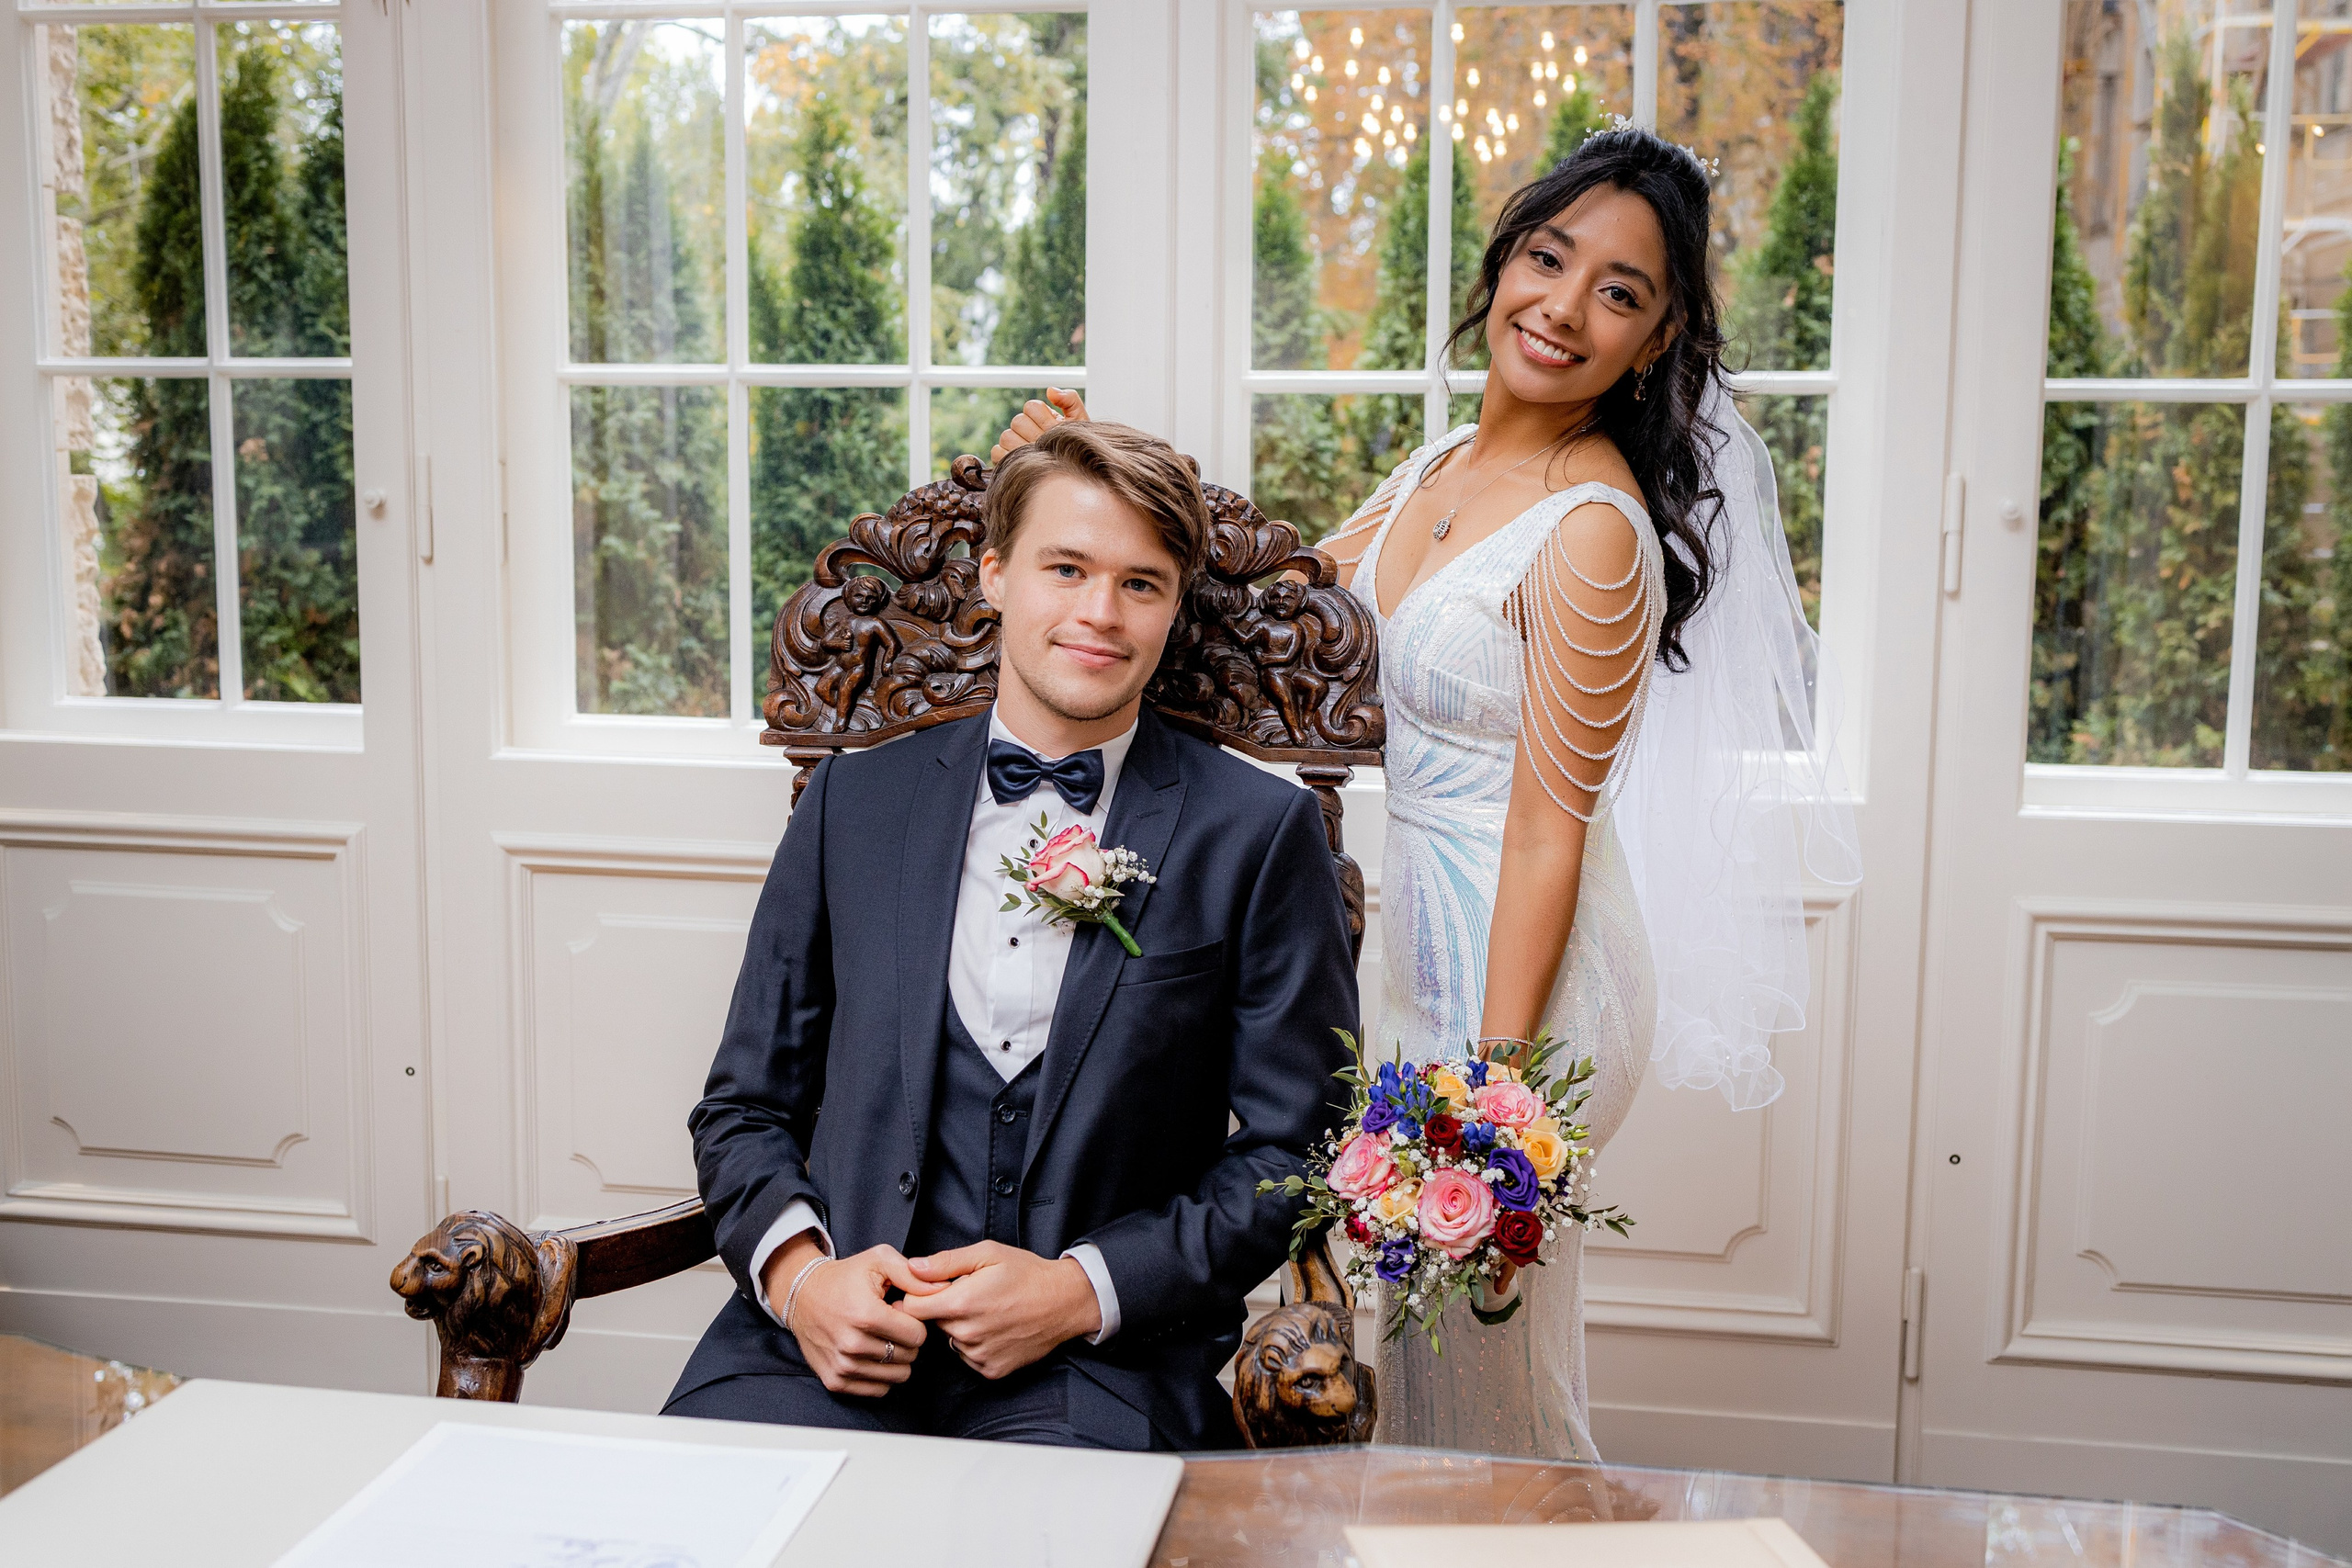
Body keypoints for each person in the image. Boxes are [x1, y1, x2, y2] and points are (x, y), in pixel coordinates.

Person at [988, 125, 1858, 1461]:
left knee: (1463, 1331)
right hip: (1420, 919)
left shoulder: (1591, 533)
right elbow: (1266, 608)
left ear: (1657, 336)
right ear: (1506, 259)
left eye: (1619, 292)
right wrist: (1085, 458)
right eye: (1549, 257)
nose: (1565, 307)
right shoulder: (1445, 461)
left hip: (1529, 956)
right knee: (1388, 1329)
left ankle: (1520, 1537)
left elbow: (1548, 826)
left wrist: (1495, 1106)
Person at [663, 420, 1358, 1451]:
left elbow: (1293, 1150)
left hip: (1095, 1370)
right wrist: (801, 1279)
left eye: (1141, 583)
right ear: (993, 575)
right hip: (825, 1350)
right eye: (1065, 568)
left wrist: (1082, 1290)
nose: (1097, 614)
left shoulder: (1257, 834)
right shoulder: (853, 804)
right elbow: (744, 1104)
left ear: (1174, 607)